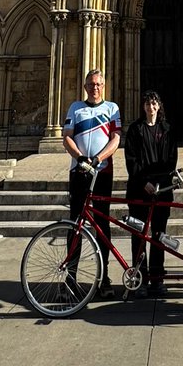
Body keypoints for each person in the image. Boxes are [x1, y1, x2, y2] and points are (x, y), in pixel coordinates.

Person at [62, 69, 121, 298]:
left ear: (103, 86)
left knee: (102, 225)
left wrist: (98, 159)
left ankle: (103, 278)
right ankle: (70, 278)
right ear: (85, 86)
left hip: (102, 173)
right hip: (79, 172)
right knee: (75, 224)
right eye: (90, 84)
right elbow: (67, 136)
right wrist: (80, 158)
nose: (94, 87)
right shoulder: (75, 108)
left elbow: (116, 138)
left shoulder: (112, 108)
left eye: (98, 84)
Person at [123, 90, 178, 297]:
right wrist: (144, 182)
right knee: (138, 235)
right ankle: (140, 279)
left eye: (154, 103)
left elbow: (171, 160)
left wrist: (159, 183)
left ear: (159, 106)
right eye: (147, 103)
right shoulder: (135, 129)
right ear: (143, 106)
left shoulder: (167, 130)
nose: (150, 107)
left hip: (161, 191)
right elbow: (131, 160)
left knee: (158, 235)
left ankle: (157, 279)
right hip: (139, 190)